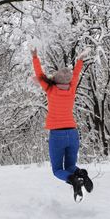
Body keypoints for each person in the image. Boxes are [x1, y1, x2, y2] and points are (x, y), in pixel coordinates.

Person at [31, 47, 93, 202]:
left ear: (56, 80)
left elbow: (40, 75)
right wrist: (80, 59)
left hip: (57, 135)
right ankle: (81, 175)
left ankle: (74, 180)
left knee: (58, 170)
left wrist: (35, 57)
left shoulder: (51, 89)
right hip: (72, 134)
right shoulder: (71, 89)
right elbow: (77, 74)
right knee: (71, 166)